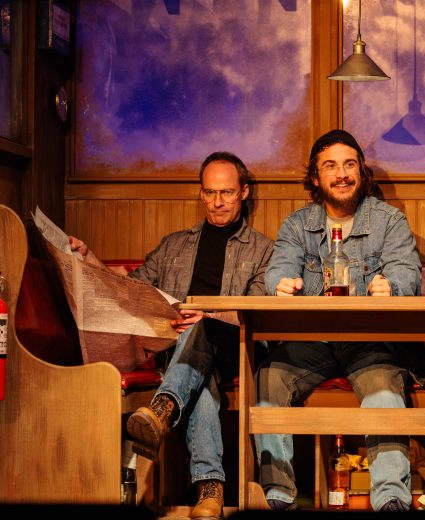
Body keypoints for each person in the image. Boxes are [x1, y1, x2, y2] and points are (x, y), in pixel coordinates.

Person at [69, 151, 274, 520]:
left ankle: (163, 408)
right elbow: (130, 290)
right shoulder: (175, 245)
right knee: (202, 379)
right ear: (200, 193)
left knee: (201, 328)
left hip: (235, 348)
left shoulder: (262, 249)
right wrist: (89, 259)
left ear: (244, 193)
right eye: (209, 193)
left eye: (226, 193)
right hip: (178, 353)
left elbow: (260, 306)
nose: (217, 202)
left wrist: (210, 314)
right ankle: (209, 492)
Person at [255, 129, 422, 512]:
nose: (341, 174)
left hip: (370, 341)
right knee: (269, 377)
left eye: (349, 165)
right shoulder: (297, 225)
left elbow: (407, 274)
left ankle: (391, 500)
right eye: (330, 166)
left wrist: (391, 287)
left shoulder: (389, 221)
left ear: (361, 173)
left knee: (383, 389)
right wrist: (280, 284)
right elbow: (277, 271)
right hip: (313, 340)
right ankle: (278, 497)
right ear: (316, 177)